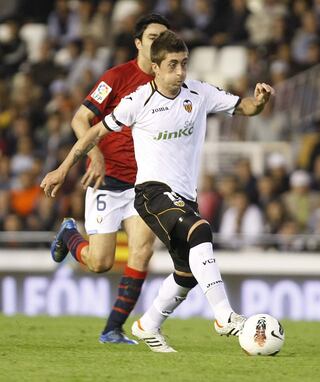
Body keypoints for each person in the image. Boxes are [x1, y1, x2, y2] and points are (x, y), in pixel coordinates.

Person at [41, 30, 274, 352]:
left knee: (187, 273)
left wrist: (259, 102)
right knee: (199, 231)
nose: (180, 72)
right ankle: (225, 316)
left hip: (184, 196)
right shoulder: (138, 101)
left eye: (184, 64)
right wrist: (63, 169)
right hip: (150, 192)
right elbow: (93, 132)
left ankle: (147, 324)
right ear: (155, 68)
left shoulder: (200, 92)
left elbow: (244, 107)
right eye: (173, 65)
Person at [49, 13, 170, 345]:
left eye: (164, 37)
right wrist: (94, 153)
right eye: (153, 37)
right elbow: (80, 119)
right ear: (138, 43)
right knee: (100, 263)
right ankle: (69, 233)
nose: (159, 43)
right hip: (109, 180)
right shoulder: (117, 77)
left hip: (144, 184)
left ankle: (112, 330)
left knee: (142, 252)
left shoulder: (169, 82)